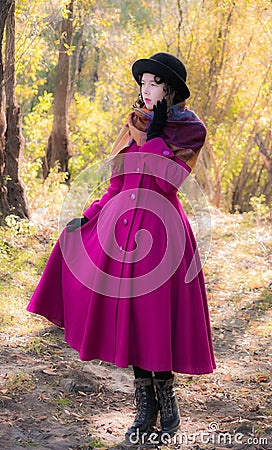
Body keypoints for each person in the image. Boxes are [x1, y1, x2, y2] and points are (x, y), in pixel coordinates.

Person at [27, 52, 216, 443]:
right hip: (120, 229)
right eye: (143, 83)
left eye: (154, 84)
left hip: (162, 234)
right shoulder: (133, 122)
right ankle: (144, 406)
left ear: (170, 89)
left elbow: (168, 183)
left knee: (154, 321)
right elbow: (117, 181)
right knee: (130, 319)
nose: (146, 91)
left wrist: (157, 138)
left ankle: (167, 398)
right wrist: (90, 214)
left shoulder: (189, 130)